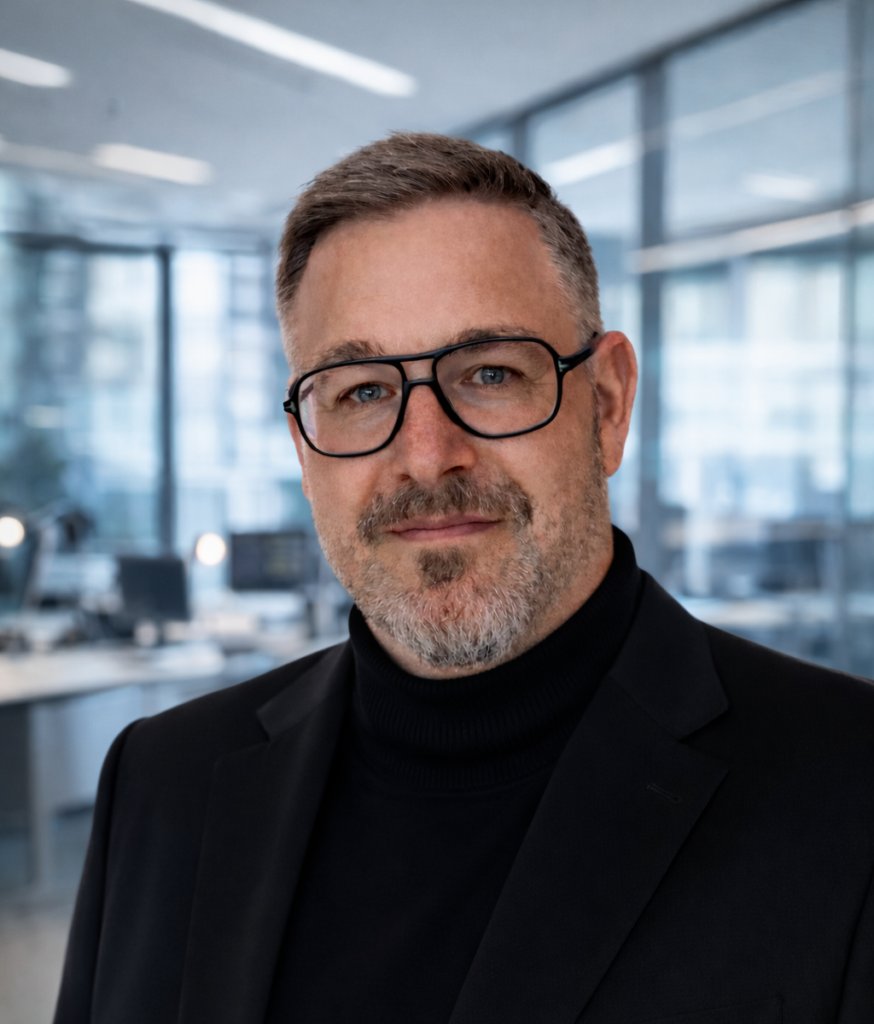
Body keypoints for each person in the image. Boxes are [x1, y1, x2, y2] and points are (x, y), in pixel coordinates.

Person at [55, 134, 873, 1024]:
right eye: (362, 391)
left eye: (490, 373)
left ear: (606, 405)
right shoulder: (162, 782)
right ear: (304, 445)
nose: (426, 455)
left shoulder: (848, 786)